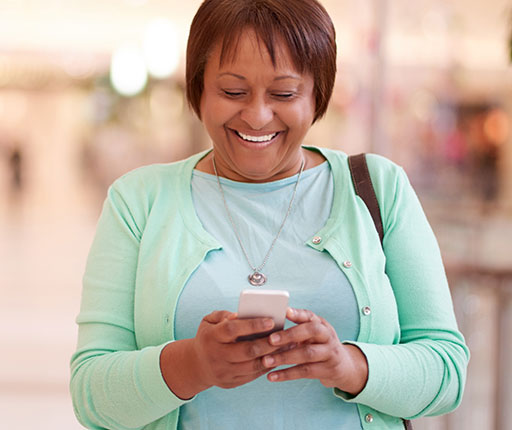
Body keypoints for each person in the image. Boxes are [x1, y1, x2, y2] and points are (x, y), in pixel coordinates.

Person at [70, 0, 469, 429]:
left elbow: (446, 373)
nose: (258, 116)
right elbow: (92, 396)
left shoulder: (378, 189)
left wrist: (347, 364)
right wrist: (194, 365)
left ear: (318, 94)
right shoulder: (138, 201)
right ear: (198, 89)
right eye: (232, 92)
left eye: (283, 94)